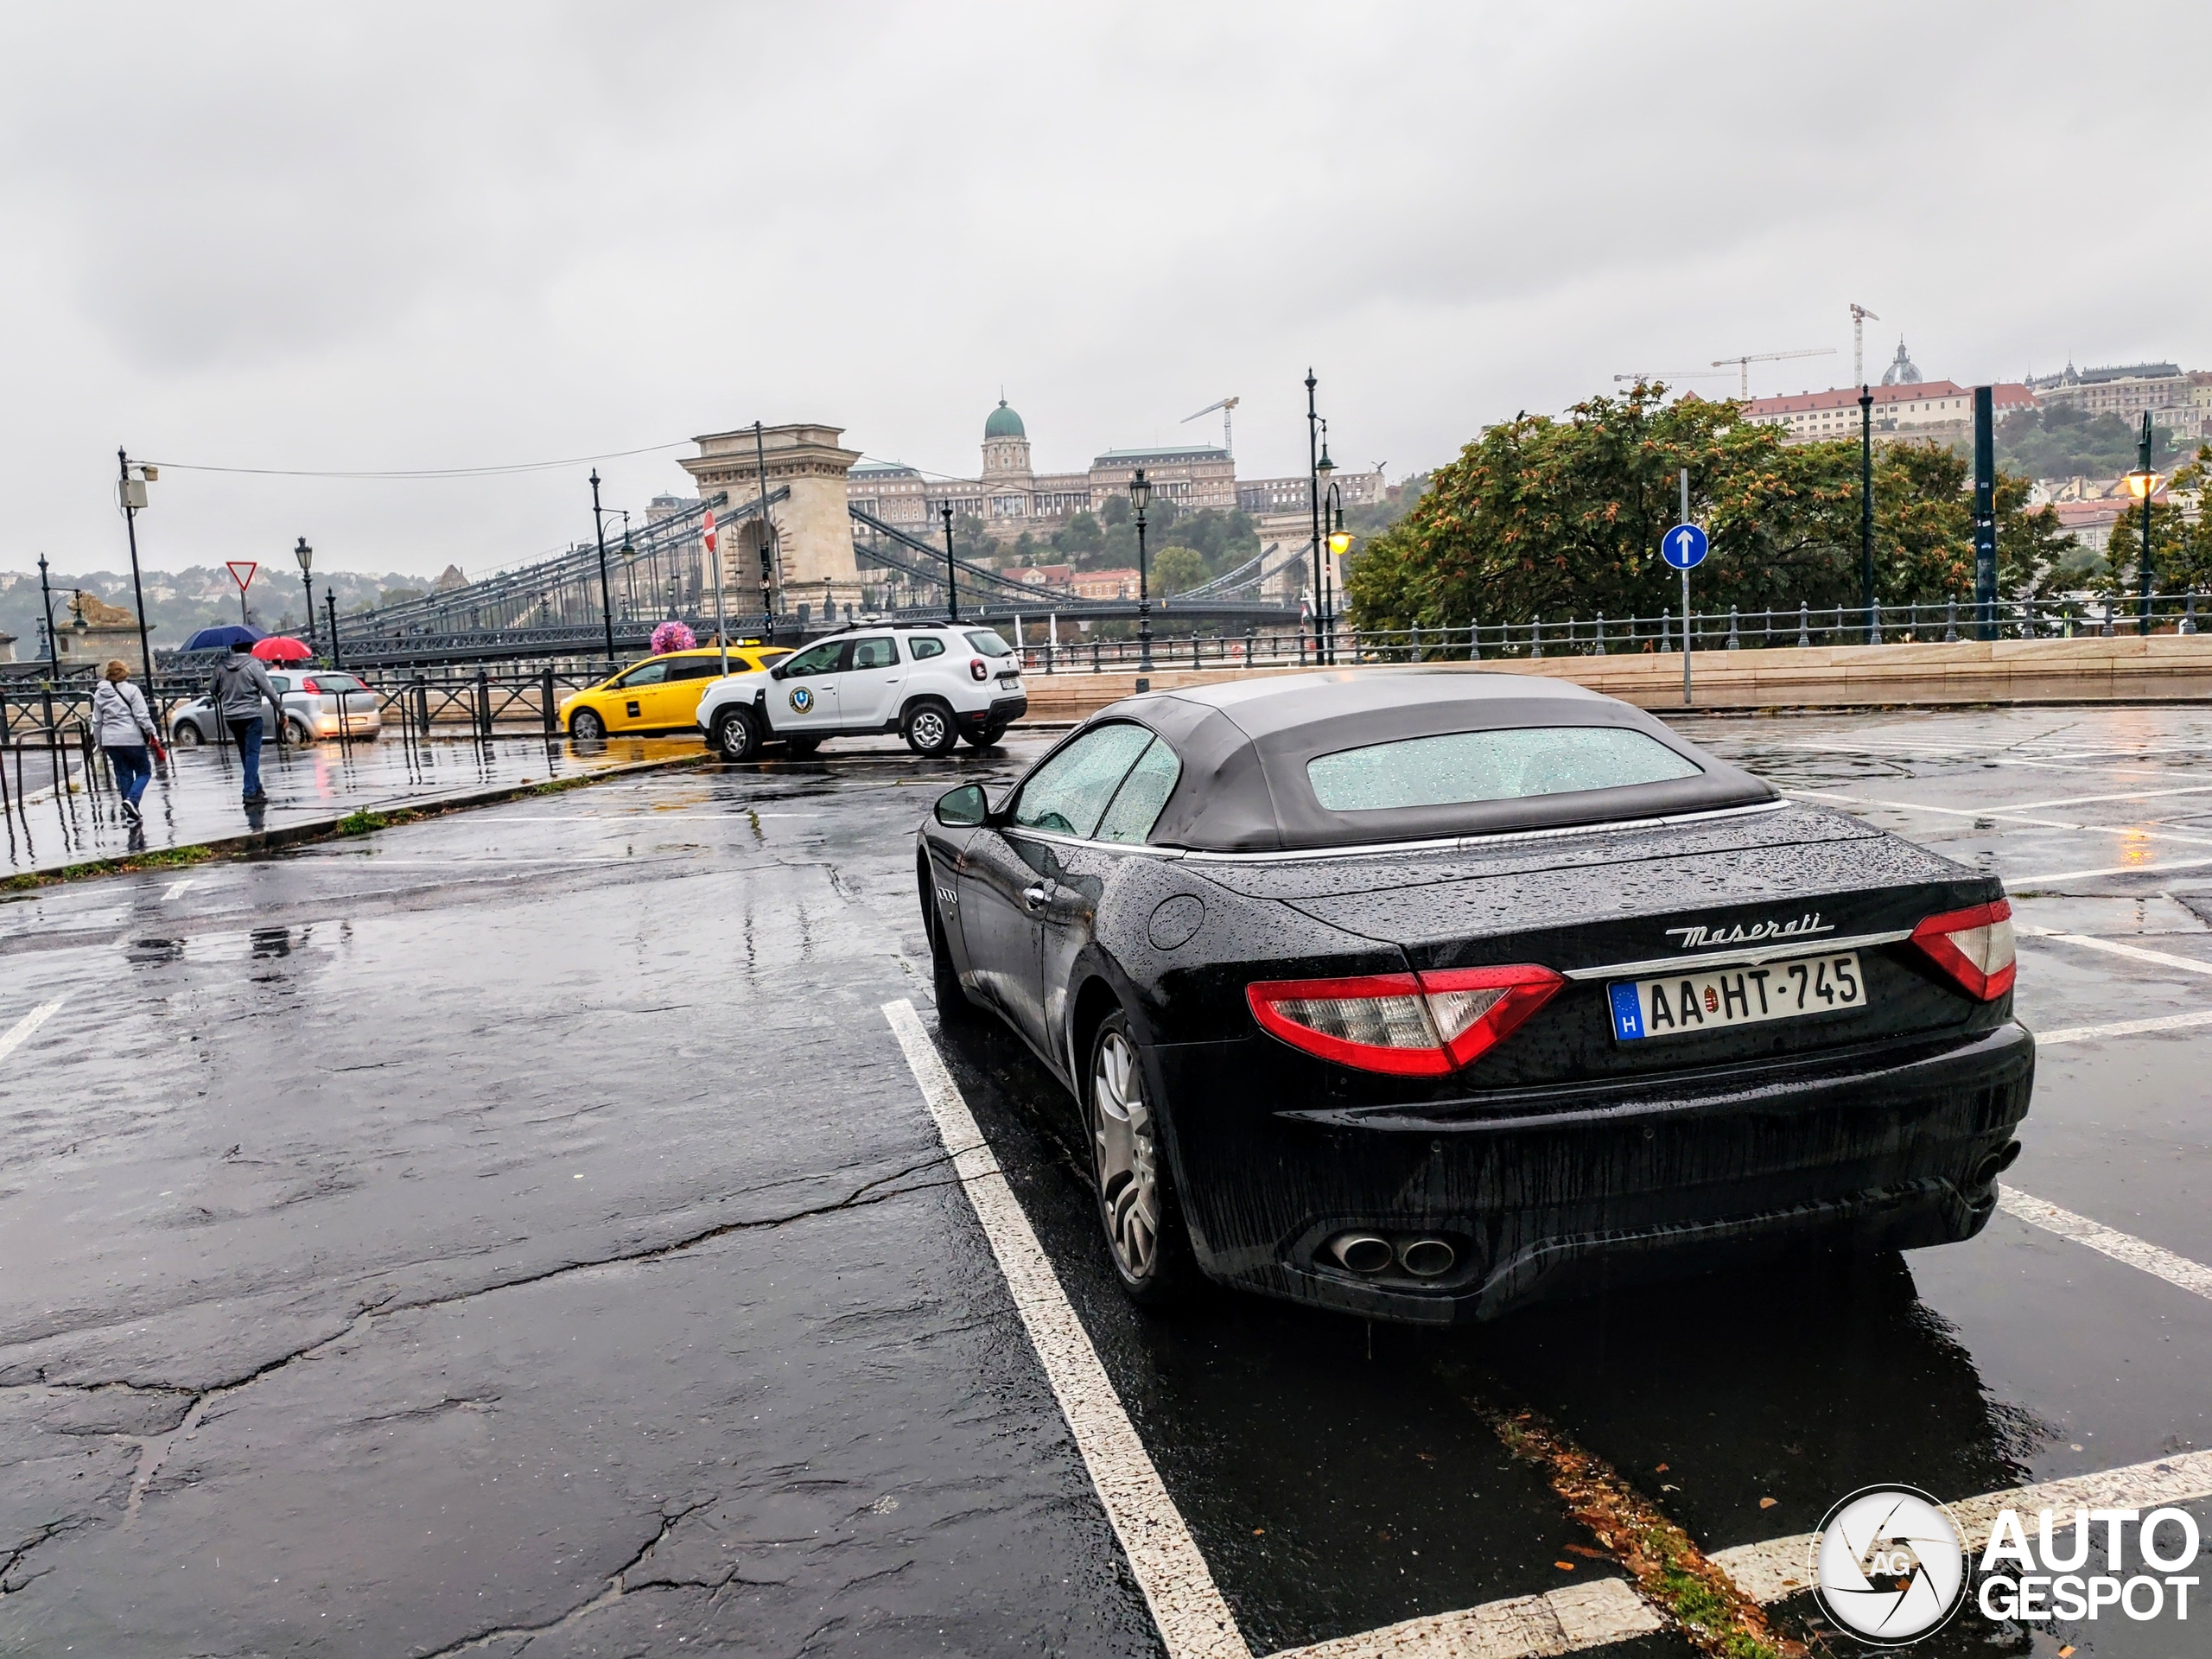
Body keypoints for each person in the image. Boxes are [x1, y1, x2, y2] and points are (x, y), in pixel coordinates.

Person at [212, 639, 284, 804]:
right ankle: (249, 791)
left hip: (231, 716)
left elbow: (212, 689)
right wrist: (281, 710)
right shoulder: (254, 664)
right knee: (252, 754)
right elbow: (268, 689)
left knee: (245, 753)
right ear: (251, 648)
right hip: (251, 714)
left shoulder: (221, 666)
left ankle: (256, 786)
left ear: (232, 647)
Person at [92, 658, 162, 826]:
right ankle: (132, 800)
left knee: (123, 775)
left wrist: (99, 742)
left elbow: (97, 721)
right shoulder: (132, 690)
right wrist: (153, 732)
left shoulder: (100, 694)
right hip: (131, 738)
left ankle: (131, 812)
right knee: (144, 771)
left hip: (111, 740)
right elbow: (141, 716)